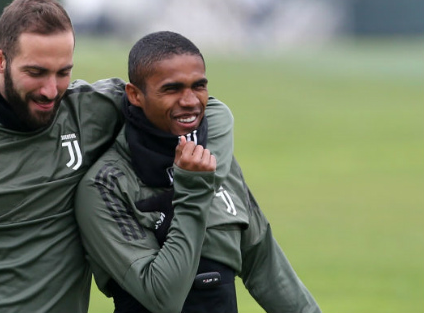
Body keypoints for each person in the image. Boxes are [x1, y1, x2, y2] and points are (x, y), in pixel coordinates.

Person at [0, 0, 236, 313]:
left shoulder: (90, 109)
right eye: (36, 72)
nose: (51, 90)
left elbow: (205, 107)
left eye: (63, 72)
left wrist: (201, 175)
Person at [74, 31, 321, 313]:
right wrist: (192, 190)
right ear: (135, 95)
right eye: (171, 89)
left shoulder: (214, 161)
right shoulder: (105, 185)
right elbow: (162, 297)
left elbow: (263, 262)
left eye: (199, 86)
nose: (190, 101)